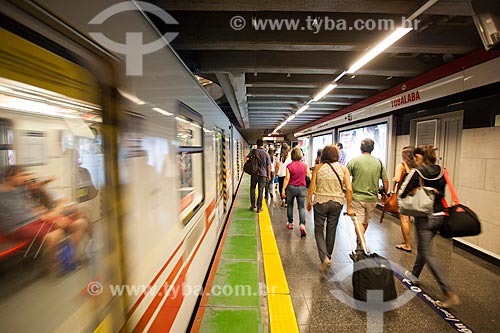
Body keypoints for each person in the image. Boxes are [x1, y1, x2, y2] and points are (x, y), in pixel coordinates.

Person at [400, 145, 461, 308]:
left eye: (415, 158)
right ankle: (414, 275)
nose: (414, 160)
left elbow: (402, 192)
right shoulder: (442, 171)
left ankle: (448, 293)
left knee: (427, 252)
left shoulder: (417, 172)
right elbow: (440, 192)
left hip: (425, 216)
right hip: (440, 215)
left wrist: (417, 190)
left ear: (420, 157)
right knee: (424, 247)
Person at [0, 166, 88, 267]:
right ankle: (54, 264)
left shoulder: (20, 189)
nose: (23, 179)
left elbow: (36, 186)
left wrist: (47, 181)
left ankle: (70, 256)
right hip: (18, 226)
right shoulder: (2, 193)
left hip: (34, 220)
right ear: (11, 177)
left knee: (80, 224)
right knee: (55, 234)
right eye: (20, 176)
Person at [307, 144, 354, 273]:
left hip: (320, 201)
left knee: (319, 229)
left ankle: (324, 257)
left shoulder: (318, 168)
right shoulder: (343, 169)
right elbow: (349, 189)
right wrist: (349, 207)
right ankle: (329, 255)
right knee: (331, 229)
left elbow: (312, 187)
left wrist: (308, 201)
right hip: (337, 202)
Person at [347, 138, 388, 246]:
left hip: (357, 197)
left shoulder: (354, 161)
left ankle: (362, 242)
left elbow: (345, 178)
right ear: (372, 149)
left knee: (358, 221)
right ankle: (360, 239)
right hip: (372, 198)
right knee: (365, 222)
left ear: (361, 148)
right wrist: (385, 193)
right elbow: (385, 181)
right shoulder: (379, 162)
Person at [282, 147, 310, 235]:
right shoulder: (305, 165)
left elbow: (287, 178)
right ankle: (302, 224)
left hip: (291, 188)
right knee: (301, 207)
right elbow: (308, 176)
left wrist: (283, 189)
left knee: (290, 205)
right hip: (302, 188)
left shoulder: (289, 166)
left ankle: (290, 223)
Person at [393, 146, 417, 252]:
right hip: (415, 195)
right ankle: (410, 242)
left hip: (404, 195)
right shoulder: (417, 166)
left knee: (404, 220)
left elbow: (397, 179)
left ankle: (407, 244)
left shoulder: (402, 165)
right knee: (411, 220)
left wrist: (394, 178)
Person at [247, 139, 271, 213]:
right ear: (262, 145)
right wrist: (269, 175)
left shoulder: (253, 151)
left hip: (254, 174)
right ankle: (259, 208)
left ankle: (253, 204)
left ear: (256, 144)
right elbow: (268, 165)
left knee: (252, 188)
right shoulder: (266, 153)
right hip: (263, 175)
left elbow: (247, 159)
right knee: (261, 191)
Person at [276, 143, 292, 207]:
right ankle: (287, 202)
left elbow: (277, 165)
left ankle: (283, 199)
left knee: (281, 188)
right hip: (288, 174)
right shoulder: (290, 156)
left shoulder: (279, 156)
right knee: (287, 188)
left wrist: (276, 173)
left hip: (281, 174)